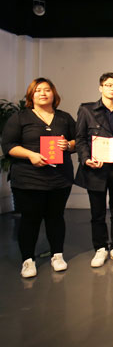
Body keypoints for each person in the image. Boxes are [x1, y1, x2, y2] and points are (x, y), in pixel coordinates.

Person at [1, 78, 76, 278]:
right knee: (30, 220)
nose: (43, 93)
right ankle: (28, 260)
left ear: (54, 94)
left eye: (47, 90)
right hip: (28, 179)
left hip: (60, 179)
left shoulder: (64, 118)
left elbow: (78, 140)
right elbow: (8, 146)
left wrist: (68, 145)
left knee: (56, 218)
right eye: (38, 90)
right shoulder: (20, 117)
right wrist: (30, 155)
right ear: (31, 95)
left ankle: (57, 255)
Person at [75, 72, 113, 268]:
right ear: (101, 87)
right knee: (97, 213)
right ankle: (100, 248)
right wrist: (86, 159)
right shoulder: (87, 110)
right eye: (109, 85)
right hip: (96, 170)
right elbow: (80, 139)